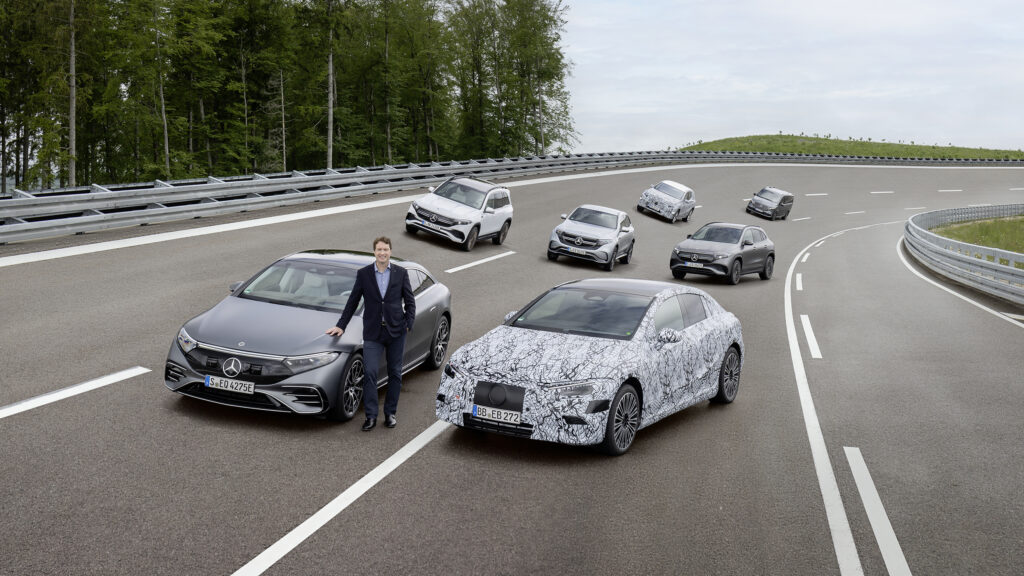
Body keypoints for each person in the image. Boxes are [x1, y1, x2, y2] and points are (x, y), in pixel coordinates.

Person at [326, 236, 415, 431]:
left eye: (385, 249)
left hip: (396, 332)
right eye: (379, 250)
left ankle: (390, 413)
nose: (382, 253)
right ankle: (371, 416)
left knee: (395, 374)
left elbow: (410, 301)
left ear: (390, 251)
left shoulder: (400, 273)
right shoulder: (364, 274)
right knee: (370, 373)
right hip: (373, 333)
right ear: (374, 252)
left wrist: (408, 323)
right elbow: (352, 301)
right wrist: (341, 325)